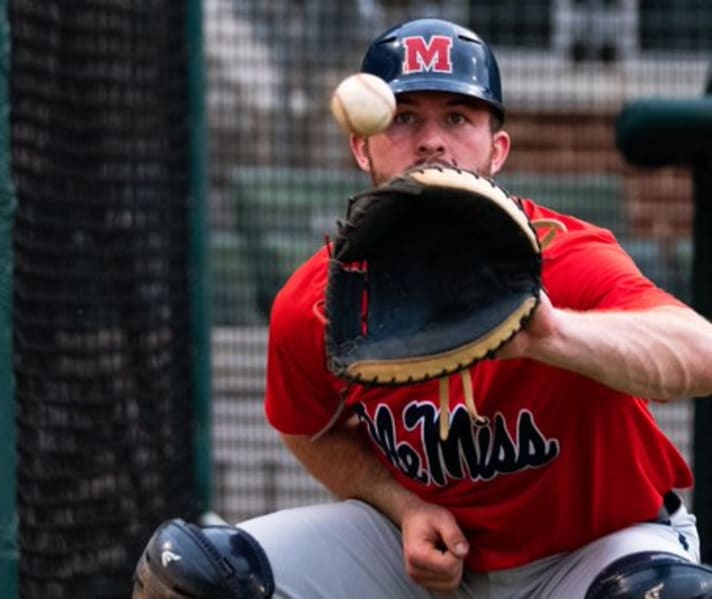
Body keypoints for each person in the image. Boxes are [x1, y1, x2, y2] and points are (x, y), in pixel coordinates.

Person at [134, 17, 712, 599]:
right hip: (418, 560)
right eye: (404, 117)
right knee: (189, 573)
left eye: (457, 117)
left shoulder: (563, 257)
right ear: (363, 145)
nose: (432, 139)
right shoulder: (317, 299)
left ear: (497, 149)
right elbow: (307, 428)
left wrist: (551, 334)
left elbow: (703, 354)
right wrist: (403, 506)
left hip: (595, 551)